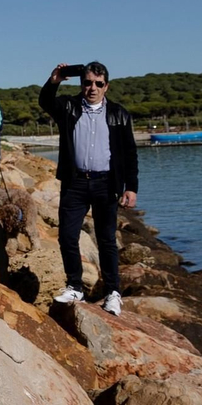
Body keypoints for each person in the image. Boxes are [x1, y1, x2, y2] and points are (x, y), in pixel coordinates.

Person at [40, 62, 136, 316]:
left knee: (106, 240)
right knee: (68, 237)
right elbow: (46, 101)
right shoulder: (68, 107)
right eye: (87, 82)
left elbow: (129, 154)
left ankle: (113, 292)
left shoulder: (118, 113)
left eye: (98, 83)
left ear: (106, 86)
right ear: (82, 84)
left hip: (106, 184)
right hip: (75, 183)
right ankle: (75, 286)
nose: (92, 88)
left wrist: (131, 187)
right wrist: (55, 80)